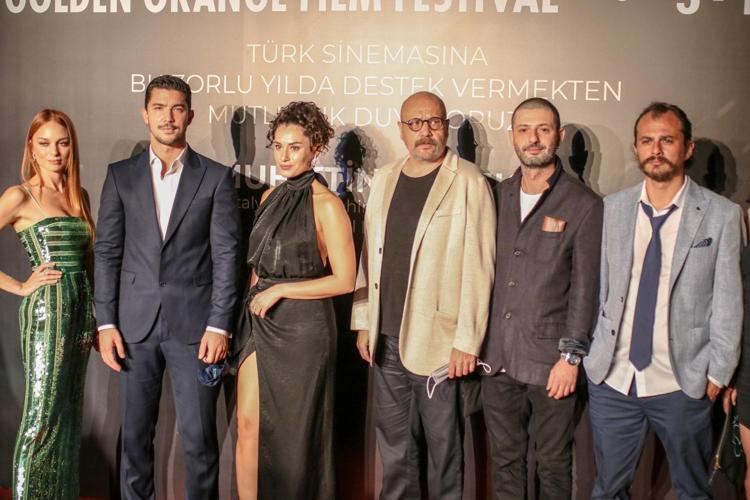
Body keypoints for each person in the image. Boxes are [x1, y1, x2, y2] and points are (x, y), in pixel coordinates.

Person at [585, 102, 742, 499]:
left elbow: (729, 300)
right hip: (613, 380)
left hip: (683, 382)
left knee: (691, 491)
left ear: (687, 148)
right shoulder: (613, 208)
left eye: (667, 140)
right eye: (647, 141)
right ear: (636, 148)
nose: (656, 150)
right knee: (608, 490)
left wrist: (717, 374)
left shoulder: (722, 215)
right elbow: (599, 289)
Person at [94, 75, 240, 500]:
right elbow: (107, 252)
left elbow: (227, 256)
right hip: (133, 327)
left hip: (195, 329)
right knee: (135, 439)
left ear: (190, 115)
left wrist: (219, 325)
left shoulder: (215, 178)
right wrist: (106, 323)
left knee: (199, 441)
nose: (168, 117)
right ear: (145, 113)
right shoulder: (120, 177)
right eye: (159, 107)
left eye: (177, 108)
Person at [352, 91, 496, 498]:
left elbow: (481, 267)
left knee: (443, 450)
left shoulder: (468, 181)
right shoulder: (385, 178)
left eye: (433, 122)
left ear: (445, 126)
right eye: (415, 123)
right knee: (394, 449)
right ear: (401, 130)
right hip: (385, 339)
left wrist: (467, 341)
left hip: (440, 343)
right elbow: (369, 254)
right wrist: (363, 321)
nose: (425, 132)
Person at [229, 101, 356, 499]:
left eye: (295, 147)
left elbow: (345, 280)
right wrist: (250, 308)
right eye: (279, 146)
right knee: (247, 423)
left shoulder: (327, 205)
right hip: (259, 322)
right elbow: (258, 265)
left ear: (314, 148)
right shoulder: (269, 196)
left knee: (295, 437)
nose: (284, 156)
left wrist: (282, 290)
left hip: (304, 330)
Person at [480, 97, 602, 499]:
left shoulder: (583, 204)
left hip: (552, 364)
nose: (533, 138)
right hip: (497, 360)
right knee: (505, 462)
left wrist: (571, 358)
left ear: (559, 136)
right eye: (524, 130)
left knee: (552, 464)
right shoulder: (496, 195)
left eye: (543, 129)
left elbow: (585, 288)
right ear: (512, 137)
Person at [0, 109, 95, 499]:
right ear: (32, 148)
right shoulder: (19, 195)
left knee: (68, 416)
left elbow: (88, 261)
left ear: (72, 147)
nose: (55, 152)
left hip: (81, 313)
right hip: (47, 313)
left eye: (62, 143)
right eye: (45, 143)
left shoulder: (79, 196)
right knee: (40, 417)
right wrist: (21, 286)